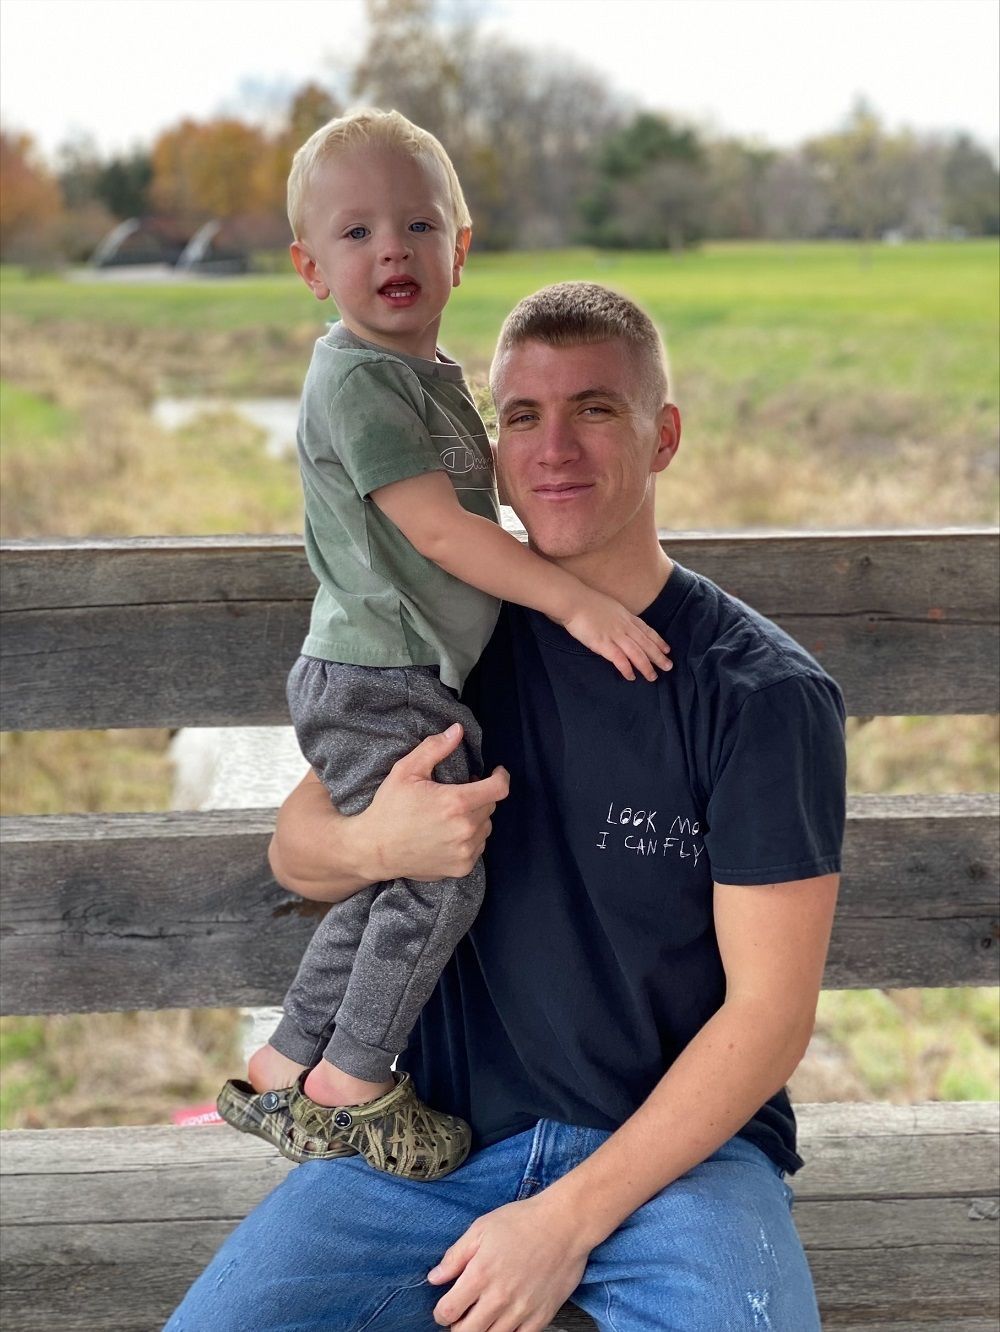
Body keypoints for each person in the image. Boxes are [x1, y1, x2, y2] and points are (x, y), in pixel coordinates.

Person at [169, 281, 845, 1332]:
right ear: (487, 447)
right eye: (522, 416)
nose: (554, 447)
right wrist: (372, 840)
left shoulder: (757, 694)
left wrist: (562, 1222)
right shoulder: (449, 648)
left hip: (676, 1163)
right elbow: (298, 856)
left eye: (596, 409)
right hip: (428, 1150)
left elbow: (769, 1017)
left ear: (662, 435)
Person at [216, 109, 671, 1183]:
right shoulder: (361, 381)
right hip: (381, 676)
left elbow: (475, 526)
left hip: (398, 672)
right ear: (309, 268)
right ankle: (355, 1083)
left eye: (418, 224)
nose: (391, 249)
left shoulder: (424, 378)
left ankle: (286, 1064)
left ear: (458, 250)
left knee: (401, 879)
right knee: (438, 881)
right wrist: (573, 602)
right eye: (356, 231)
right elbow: (437, 529)